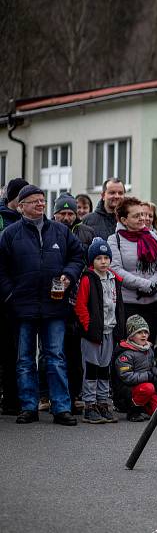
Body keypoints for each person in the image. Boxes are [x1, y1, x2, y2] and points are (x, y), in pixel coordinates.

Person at [0, 184, 84, 425]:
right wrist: (9, 294)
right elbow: (1, 269)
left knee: (56, 357)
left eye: (42, 200)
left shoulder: (60, 231)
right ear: (21, 206)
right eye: (34, 201)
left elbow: (77, 256)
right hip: (22, 307)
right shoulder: (10, 234)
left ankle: (61, 408)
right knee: (25, 359)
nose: (40, 204)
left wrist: (69, 275)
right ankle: (28, 407)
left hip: (55, 307)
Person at [74, 238, 126, 424]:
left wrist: (119, 328)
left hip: (109, 331)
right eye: (99, 258)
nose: (103, 262)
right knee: (91, 369)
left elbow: (118, 305)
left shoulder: (114, 279)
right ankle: (89, 405)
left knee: (105, 368)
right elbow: (80, 306)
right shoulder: (88, 279)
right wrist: (88, 327)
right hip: (93, 333)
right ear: (92, 261)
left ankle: (103, 402)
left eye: (106, 257)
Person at [52, 194, 96, 413]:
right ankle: (49, 394)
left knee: (75, 350)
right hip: (54, 298)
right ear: (55, 214)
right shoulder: (49, 231)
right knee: (52, 350)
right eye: (63, 213)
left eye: (71, 213)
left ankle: (76, 393)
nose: (67, 217)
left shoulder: (86, 232)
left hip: (79, 298)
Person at [108, 197, 157, 342]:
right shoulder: (114, 240)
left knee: (149, 345)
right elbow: (116, 270)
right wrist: (144, 284)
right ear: (124, 220)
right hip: (129, 305)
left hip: (153, 302)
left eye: (143, 214)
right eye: (136, 216)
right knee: (131, 346)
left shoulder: (152, 235)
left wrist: (153, 283)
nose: (143, 219)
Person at [112, 315, 157, 422]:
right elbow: (126, 376)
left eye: (146, 332)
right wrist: (148, 376)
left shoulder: (148, 348)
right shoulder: (125, 353)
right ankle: (133, 411)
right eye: (139, 332)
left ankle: (143, 409)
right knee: (148, 388)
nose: (143, 335)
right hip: (127, 390)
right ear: (131, 335)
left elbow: (151, 367)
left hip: (145, 385)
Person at [0, 177, 27, 415]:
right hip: (5, 293)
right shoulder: (2, 219)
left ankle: (12, 398)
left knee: (17, 350)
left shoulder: (29, 221)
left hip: (22, 296)